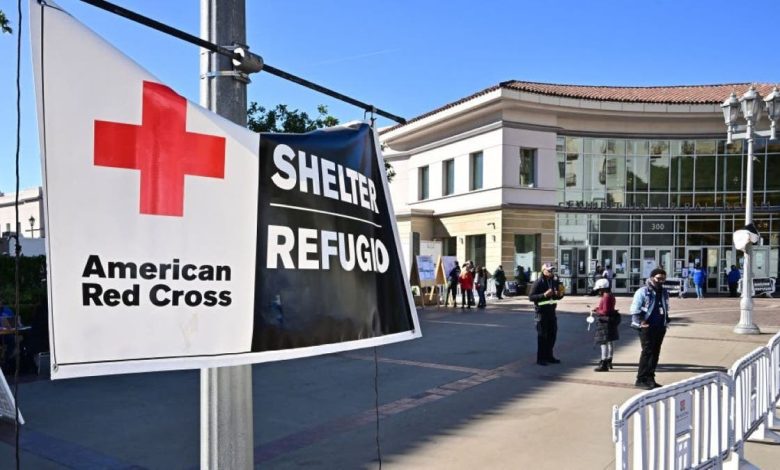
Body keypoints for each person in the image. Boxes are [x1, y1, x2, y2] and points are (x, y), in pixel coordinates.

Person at [630, 267, 670, 390]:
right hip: (647, 327)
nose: (661, 281)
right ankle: (641, 378)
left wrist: (666, 320)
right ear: (652, 278)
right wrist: (641, 322)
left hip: (660, 326)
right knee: (647, 352)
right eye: (658, 279)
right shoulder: (643, 291)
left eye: (663, 279)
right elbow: (635, 309)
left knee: (655, 352)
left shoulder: (664, 292)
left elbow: (665, 306)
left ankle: (650, 377)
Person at [529, 262, 564, 366]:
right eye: (549, 270)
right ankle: (541, 358)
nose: (551, 272)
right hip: (541, 313)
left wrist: (559, 295)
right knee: (542, 336)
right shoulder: (538, 282)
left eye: (552, 270)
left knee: (552, 335)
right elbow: (531, 297)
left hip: (551, 312)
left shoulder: (553, 281)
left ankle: (549, 356)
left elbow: (557, 296)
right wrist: (544, 294)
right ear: (543, 271)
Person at [590, 278, 620, 372]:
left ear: (602, 288)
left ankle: (604, 362)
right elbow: (608, 308)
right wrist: (599, 307)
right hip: (611, 320)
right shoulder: (610, 295)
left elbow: (605, 311)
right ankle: (609, 360)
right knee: (610, 341)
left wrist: (597, 311)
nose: (598, 292)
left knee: (603, 342)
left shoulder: (606, 296)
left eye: (599, 290)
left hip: (605, 321)